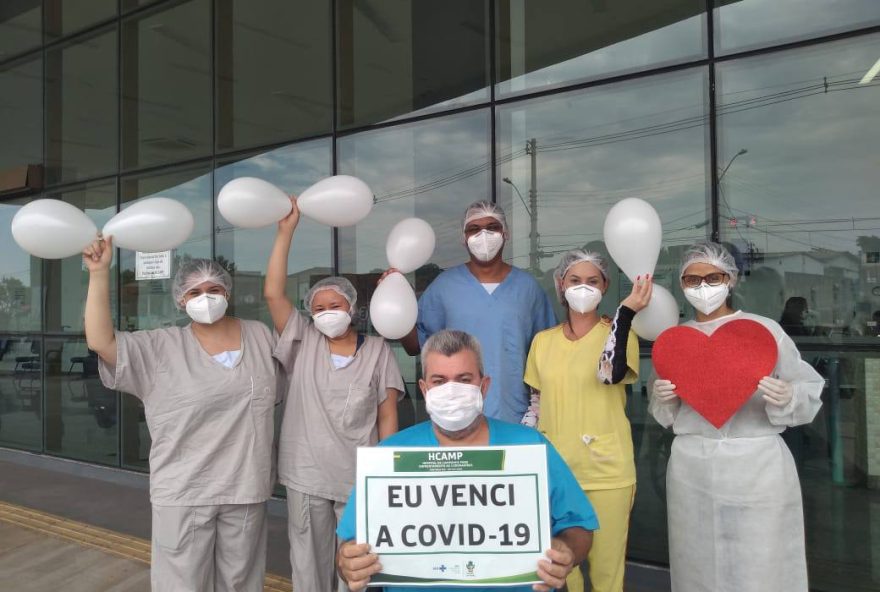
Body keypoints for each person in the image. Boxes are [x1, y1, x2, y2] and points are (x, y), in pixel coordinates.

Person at [336, 329, 598, 592]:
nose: (452, 391)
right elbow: (349, 546)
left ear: (484, 386)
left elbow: (579, 526)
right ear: (425, 390)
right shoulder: (389, 456)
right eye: (439, 381)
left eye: (463, 379)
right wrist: (348, 562)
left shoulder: (529, 447)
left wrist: (568, 551)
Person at [83, 239, 278, 592]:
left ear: (228, 292)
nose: (206, 297)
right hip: (186, 490)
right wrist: (99, 274)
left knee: (243, 583)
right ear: (181, 300)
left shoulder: (260, 336)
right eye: (195, 291)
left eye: (214, 288)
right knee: (182, 585)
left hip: (246, 488)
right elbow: (101, 342)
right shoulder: (161, 347)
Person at [649, 242, 824, 592]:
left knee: (763, 560)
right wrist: (662, 399)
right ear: (681, 284)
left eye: (712, 277)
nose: (702, 286)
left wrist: (790, 396)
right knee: (696, 560)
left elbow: (807, 386)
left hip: (756, 466)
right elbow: (666, 413)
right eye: (691, 279)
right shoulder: (675, 341)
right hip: (692, 468)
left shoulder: (763, 332)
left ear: (731, 279)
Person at [266, 197, 404, 592]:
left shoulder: (376, 349)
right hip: (306, 475)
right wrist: (285, 230)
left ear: (353, 307)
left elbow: (387, 415)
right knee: (308, 564)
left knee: (359, 569)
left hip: (357, 478)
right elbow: (275, 295)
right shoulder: (302, 342)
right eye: (320, 306)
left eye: (335, 304)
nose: (328, 312)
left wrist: (387, 474)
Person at [523, 250, 652, 592]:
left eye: (592, 281)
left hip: (607, 472)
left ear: (605, 286)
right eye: (575, 280)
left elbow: (610, 374)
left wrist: (625, 315)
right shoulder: (542, 342)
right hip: (557, 471)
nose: (583, 288)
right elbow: (535, 405)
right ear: (560, 285)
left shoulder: (619, 335)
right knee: (565, 570)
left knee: (607, 572)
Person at [397, 200, 556, 424]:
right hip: (456, 412)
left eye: (492, 227)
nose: (484, 235)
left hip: (515, 412)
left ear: (505, 233)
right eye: (474, 229)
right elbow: (415, 345)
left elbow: (549, 352)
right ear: (464, 238)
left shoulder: (528, 288)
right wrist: (396, 303)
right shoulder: (445, 286)